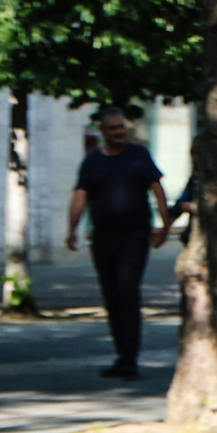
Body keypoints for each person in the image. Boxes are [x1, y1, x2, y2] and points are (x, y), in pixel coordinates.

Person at [66, 109, 170, 379]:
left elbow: (157, 189)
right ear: (102, 132)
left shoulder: (139, 155)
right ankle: (122, 354)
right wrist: (72, 229)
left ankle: (130, 358)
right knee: (112, 296)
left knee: (127, 291)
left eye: (121, 127)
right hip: (103, 237)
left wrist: (164, 225)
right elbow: (80, 196)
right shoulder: (92, 162)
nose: (119, 132)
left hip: (134, 235)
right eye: (113, 128)